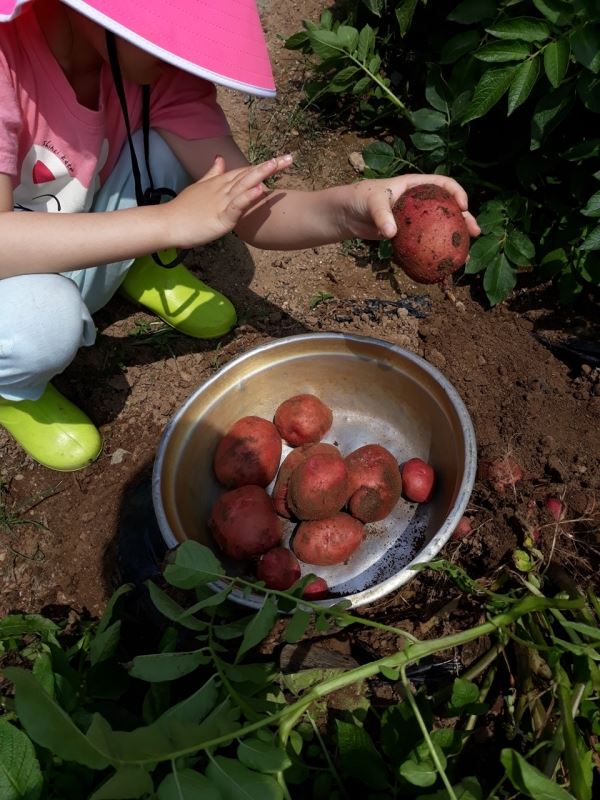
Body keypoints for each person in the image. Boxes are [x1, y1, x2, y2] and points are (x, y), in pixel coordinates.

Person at [0, 0, 479, 472]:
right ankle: (14, 389)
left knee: (194, 165)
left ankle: (126, 265)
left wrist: (352, 208)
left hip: (75, 233)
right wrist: (168, 222)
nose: (180, 48)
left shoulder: (156, 72)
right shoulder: (6, 59)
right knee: (46, 323)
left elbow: (249, 208)